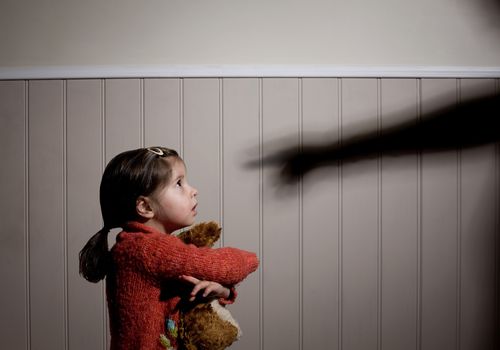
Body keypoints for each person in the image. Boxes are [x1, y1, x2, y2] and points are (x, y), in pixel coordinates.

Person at [79, 146, 259, 350]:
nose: (193, 190)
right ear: (146, 207)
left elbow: (184, 299)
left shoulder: (139, 246)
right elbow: (219, 265)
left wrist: (223, 291)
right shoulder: (146, 249)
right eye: (179, 183)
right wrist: (251, 259)